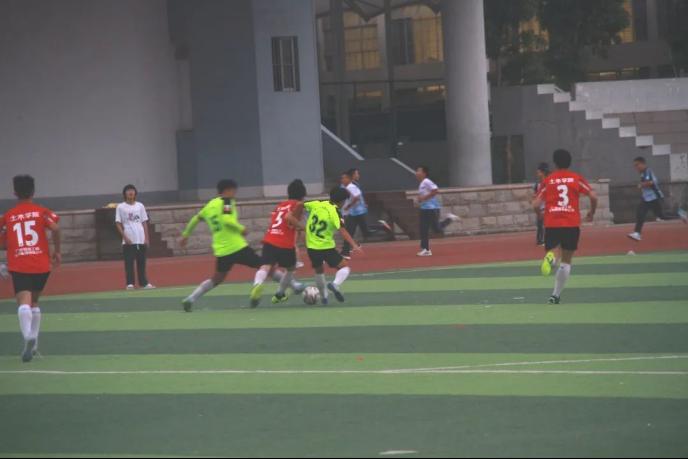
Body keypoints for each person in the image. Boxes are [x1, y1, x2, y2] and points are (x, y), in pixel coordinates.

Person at [180, 180, 270, 312]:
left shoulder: (210, 205)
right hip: (237, 247)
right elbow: (227, 220)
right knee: (265, 265)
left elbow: (195, 219)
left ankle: (191, 298)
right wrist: (241, 228)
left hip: (222, 251)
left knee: (217, 278)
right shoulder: (227, 202)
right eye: (233, 190)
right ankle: (268, 286)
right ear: (227, 190)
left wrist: (185, 235)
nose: (235, 193)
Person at [0, 175, 61, 362]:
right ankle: (33, 346)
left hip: (19, 263)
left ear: (14, 192)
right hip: (42, 263)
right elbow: (56, 228)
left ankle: (28, 337)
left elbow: (3, 240)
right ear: (33, 191)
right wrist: (57, 251)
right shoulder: (41, 212)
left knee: (23, 302)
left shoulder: (8, 216)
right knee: (34, 302)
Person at [534, 149, 598, 305]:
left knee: (554, 251)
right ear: (569, 162)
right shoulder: (576, 178)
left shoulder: (548, 180)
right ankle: (555, 295)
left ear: (555, 163)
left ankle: (551, 258)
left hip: (552, 222)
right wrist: (591, 212)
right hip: (571, 223)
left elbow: (535, 204)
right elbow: (593, 196)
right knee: (566, 261)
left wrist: (539, 214)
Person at [250, 179, 308, 307]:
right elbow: (290, 220)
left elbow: (277, 220)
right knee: (290, 268)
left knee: (265, 267)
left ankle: (257, 284)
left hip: (270, 239)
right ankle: (280, 292)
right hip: (284, 242)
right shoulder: (298, 205)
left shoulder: (280, 205)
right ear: (303, 194)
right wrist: (304, 228)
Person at [305, 186, 362, 304]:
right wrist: (354, 244)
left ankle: (324, 297)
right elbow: (343, 230)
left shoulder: (317, 204)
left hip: (311, 246)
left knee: (319, 271)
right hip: (326, 247)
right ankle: (335, 284)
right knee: (345, 267)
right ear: (342, 201)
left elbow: (302, 205)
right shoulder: (335, 212)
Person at [340, 169, 391, 258]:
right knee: (364, 233)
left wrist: (349, 206)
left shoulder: (351, 187)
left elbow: (357, 197)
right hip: (355, 212)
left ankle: (345, 252)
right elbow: (357, 196)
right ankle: (382, 227)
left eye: (344, 178)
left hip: (357, 212)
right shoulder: (349, 186)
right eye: (342, 178)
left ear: (349, 178)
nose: (342, 180)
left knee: (351, 232)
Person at [115, 184, 154, 290]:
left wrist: (146, 238)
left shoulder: (140, 206)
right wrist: (125, 237)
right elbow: (118, 223)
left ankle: (144, 283)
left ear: (135, 193)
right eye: (128, 191)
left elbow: (144, 222)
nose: (130, 192)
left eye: (132, 190)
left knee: (142, 262)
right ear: (125, 194)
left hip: (140, 238)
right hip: (129, 240)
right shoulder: (120, 207)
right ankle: (130, 283)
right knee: (129, 262)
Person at [415, 165, 459, 257]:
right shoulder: (422, 183)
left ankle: (450, 218)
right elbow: (424, 195)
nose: (416, 173)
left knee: (436, 229)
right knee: (423, 229)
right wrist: (420, 199)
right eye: (417, 171)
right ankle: (426, 249)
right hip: (424, 208)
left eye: (419, 171)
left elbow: (435, 190)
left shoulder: (427, 181)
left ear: (424, 173)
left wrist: (424, 198)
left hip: (432, 208)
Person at [627, 157, 665, 241]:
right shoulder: (643, 173)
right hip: (647, 198)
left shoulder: (647, 171)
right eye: (634, 166)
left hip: (653, 197)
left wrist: (641, 185)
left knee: (661, 215)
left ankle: (681, 215)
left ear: (643, 164)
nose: (636, 167)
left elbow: (651, 182)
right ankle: (637, 233)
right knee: (641, 213)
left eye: (637, 165)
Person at [534, 163, 550, 246]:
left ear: (543, 172)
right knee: (540, 224)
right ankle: (540, 240)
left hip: (548, 207)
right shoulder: (537, 184)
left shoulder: (549, 182)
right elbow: (535, 194)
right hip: (540, 207)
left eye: (539, 172)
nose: (537, 174)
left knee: (548, 225)